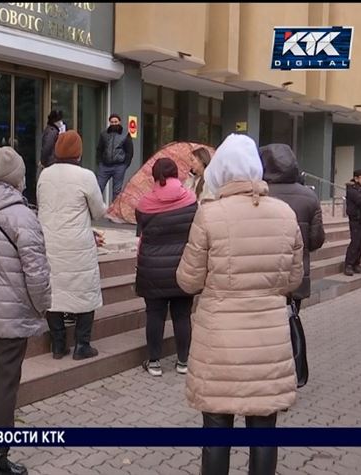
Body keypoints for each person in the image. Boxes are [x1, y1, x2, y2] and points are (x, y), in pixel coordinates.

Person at [176, 134, 304, 475]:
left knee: (216, 430)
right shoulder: (285, 214)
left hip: (220, 344)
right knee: (264, 432)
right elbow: (293, 280)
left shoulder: (210, 215)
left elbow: (188, 281)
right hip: (268, 342)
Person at [0, 146, 52, 475]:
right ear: (18, 176)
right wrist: (43, 306)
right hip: (12, 314)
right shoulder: (22, 215)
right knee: (6, 385)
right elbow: (37, 271)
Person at [38, 131, 107, 360]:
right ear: (79, 152)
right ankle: (82, 345)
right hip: (77, 242)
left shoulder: (44, 175)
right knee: (84, 291)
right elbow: (98, 211)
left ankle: (58, 345)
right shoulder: (85, 176)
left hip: (49, 241)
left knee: (54, 292)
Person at [135, 157, 197, 377]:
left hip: (152, 268)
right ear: (176, 174)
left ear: (154, 176)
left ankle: (154, 363)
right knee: (182, 316)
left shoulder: (144, 204)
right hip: (182, 266)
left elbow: (141, 231)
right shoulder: (191, 200)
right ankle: (182, 362)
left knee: (154, 315)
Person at [260, 144, 326, 312]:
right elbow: (316, 240)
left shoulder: (257, 194)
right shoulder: (309, 196)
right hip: (296, 273)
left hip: (262, 275)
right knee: (291, 319)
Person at [96, 113, 134, 201]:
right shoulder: (104, 134)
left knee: (117, 191)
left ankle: (114, 212)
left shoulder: (125, 134)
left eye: (115, 122)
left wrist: (125, 165)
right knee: (98, 188)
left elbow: (129, 151)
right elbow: (99, 149)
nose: (114, 124)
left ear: (119, 122)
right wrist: (100, 162)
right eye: (112, 122)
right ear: (109, 122)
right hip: (105, 166)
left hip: (119, 166)